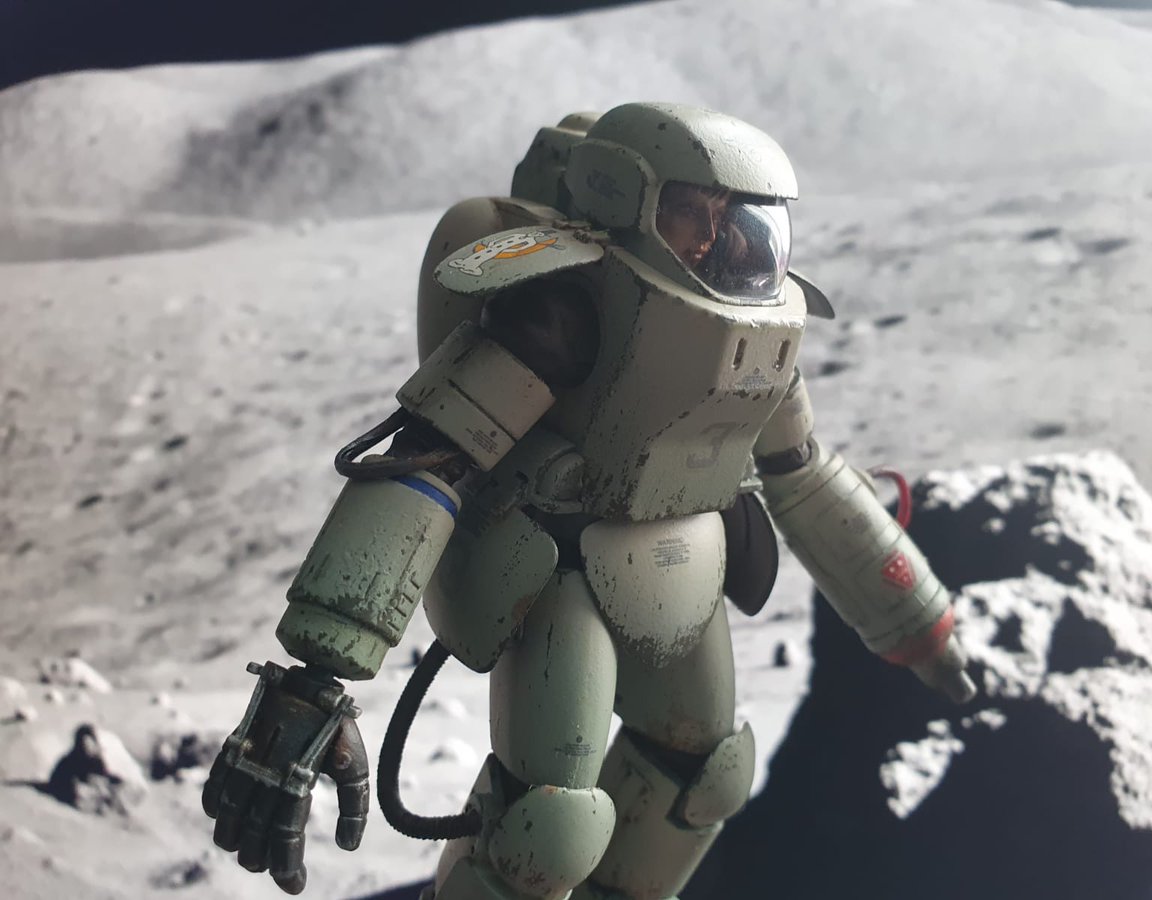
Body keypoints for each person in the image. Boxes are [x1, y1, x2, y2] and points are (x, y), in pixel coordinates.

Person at [203, 102, 976, 900]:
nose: (717, 241)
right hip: (564, 575)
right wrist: (313, 683)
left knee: (701, 776)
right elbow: (430, 463)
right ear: (628, 206)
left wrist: (915, 619)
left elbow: (804, 474)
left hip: (688, 566)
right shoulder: (565, 316)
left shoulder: (761, 332)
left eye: (738, 220)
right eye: (692, 215)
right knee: (546, 828)